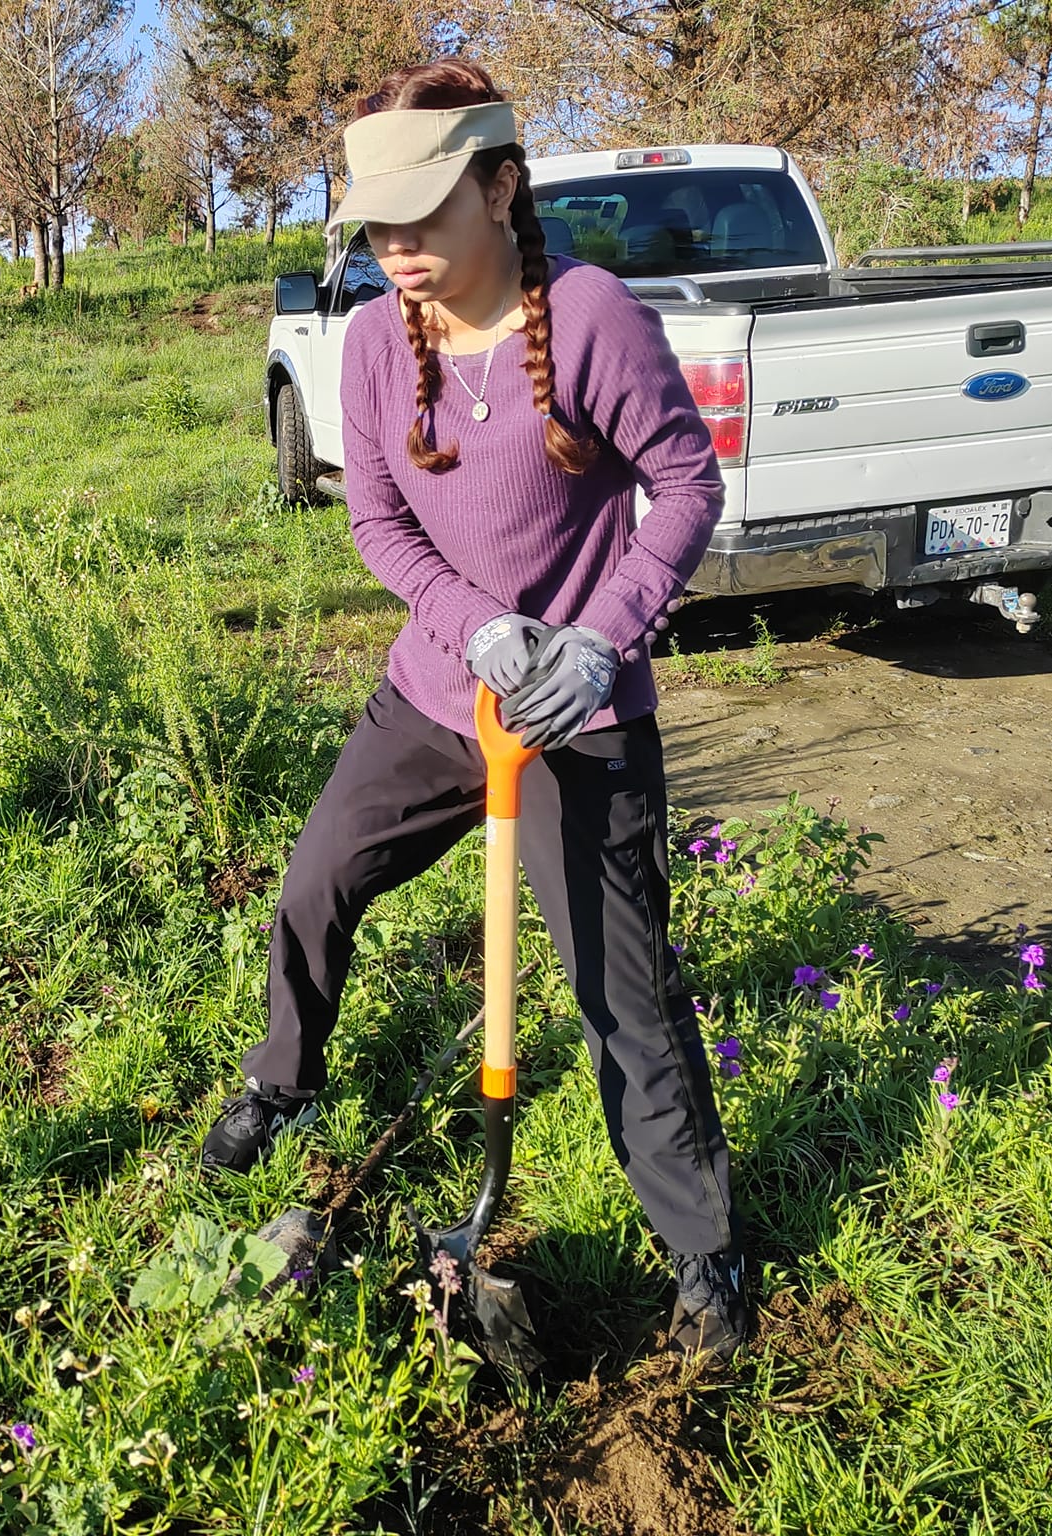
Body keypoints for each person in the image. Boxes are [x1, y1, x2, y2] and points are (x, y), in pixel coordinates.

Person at [197, 61, 747, 1361]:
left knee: (625, 996)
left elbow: (683, 489)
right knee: (318, 877)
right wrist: (477, 626)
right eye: (376, 229)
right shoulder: (381, 340)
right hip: (441, 691)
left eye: (422, 221)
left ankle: (704, 1255)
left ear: (501, 189)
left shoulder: (594, 318)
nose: (397, 253)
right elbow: (378, 520)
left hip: (581, 715)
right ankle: (283, 1083)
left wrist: (597, 645)